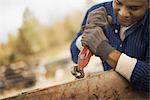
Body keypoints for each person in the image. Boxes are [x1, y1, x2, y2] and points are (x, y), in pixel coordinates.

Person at [70, 0, 149, 91]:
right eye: (118, 3)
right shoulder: (96, 11)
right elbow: (74, 55)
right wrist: (88, 35)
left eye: (134, 8)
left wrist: (106, 51)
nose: (122, 13)